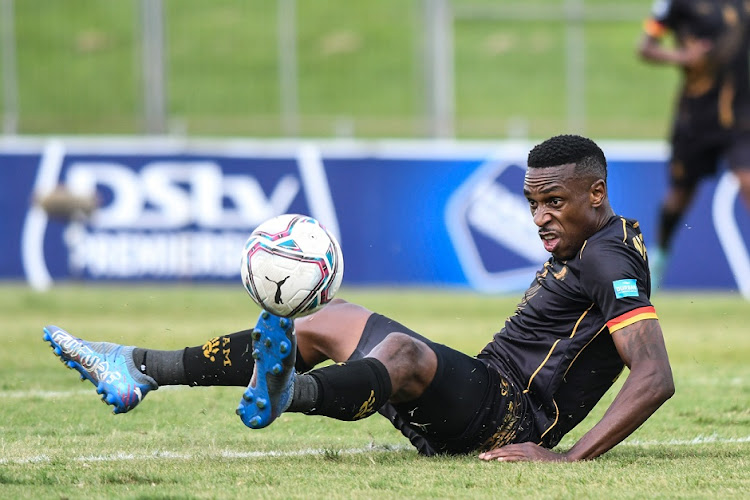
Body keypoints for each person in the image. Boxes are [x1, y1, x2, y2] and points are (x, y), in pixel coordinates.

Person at [43, 134, 675, 462]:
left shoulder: (607, 256)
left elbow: (653, 375)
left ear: (597, 193)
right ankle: (140, 367)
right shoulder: (589, 244)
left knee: (403, 352)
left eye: (554, 202)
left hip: (508, 416)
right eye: (532, 202)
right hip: (477, 394)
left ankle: (288, 391)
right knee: (323, 319)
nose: (538, 216)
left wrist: (564, 460)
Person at [638, 0, 750, 285]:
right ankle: (661, 253)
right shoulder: (675, 4)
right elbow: (646, 48)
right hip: (695, 117)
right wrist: (682, 57)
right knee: (679, 195)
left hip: (739, 116)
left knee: (748, 180)